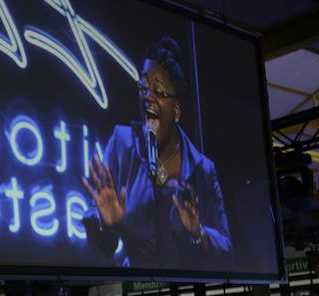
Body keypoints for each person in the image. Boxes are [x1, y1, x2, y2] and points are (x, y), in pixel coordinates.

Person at [82, 37, 231, 271]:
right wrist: (106, 223)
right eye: (144, 86)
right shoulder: (122, 144)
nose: (148, 96)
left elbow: (226, 247)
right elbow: (104, 247)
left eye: (159, 90)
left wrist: (198, 233)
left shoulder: (203, 169)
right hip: (139, 283)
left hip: (190, 287)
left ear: (177, 110)